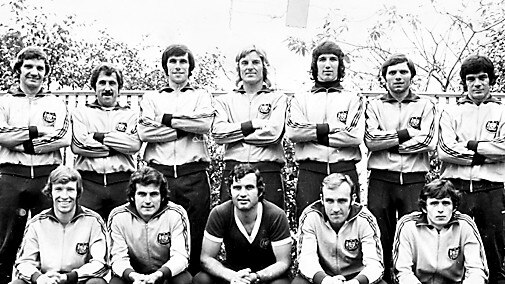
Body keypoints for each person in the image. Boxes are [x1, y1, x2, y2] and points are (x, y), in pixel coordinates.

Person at [137, 44, 214, 275]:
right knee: (159, 230)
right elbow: (144, 132)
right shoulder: (152, 97)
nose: (178, 66)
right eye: (173, 61)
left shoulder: (201, 95)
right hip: (160, 174)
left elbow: (204, 125)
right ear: (165, 67)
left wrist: (165, 120)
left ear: (190, 66)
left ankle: (190, 278)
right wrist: (184, 126)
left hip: (193, 173)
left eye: (183, 61)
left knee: (195, 230)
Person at [0, 46, 71, 282]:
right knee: (6, 239)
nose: (34, 72)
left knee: (50, 238)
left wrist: (22, 142)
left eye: (40, 68)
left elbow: (63, 138)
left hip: (46, 176)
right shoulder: (4, 101)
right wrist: (37, 131)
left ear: (46, 73)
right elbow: (3, 136)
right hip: (11, 175)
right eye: (28, 66)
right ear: (18, 70)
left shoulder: (56, 103)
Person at [364, 53, 437, 282]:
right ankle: (382, 277)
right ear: (384, 77)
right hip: (381, 177)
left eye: (403, 72)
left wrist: (389, 145)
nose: (398, 77)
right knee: (380, 232)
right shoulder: (374, 105)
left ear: (411, 76)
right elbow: (371, 141)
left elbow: (428, 142)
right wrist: (405, 135)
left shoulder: (425, 105)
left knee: (413, 231)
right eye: (392, 72)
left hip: (414, 177)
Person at [438, 54, 505, 283]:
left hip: (491, 188)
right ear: (464, 83)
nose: (477, 83)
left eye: (483, 78)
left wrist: (470, 145)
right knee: (454, 247)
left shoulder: (502, 111)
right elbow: (445, 150)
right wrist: (485, 156)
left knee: (494, 246)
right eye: (471, 79)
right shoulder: (450, 111)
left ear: (491, 81)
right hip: (457, 189)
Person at [286, 41, 365, 218]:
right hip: (310, 171)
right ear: (315, 65)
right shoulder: (301, 98)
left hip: (344, 169)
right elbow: (294, 132)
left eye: (333, 59)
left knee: (349, 227)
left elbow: (354, 136)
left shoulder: (353, 98)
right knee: (308, 224)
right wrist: (331, 129)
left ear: (340, 64)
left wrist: (312, 134)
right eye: (322, 59)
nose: (327, 65)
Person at [212, 45, 287, 209]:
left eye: (255, 62)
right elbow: (218, 134)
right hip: (234, 170)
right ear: (238, 68)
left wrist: (235, 134)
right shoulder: (225, 101)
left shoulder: (278, 98)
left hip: (268, 170)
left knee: (270, 227)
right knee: (230, 227)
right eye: (244, 63)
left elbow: (273, 133)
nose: (250, 67)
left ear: (264, 66)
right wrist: (251, 125)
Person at [194, 164, 292, 284]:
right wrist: (232, 276)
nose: (243, 194)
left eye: (249, 187)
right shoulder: (220, 213)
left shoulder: (276, 215)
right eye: (237, 188)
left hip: (265, 275)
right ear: (230, 190)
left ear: (260, 191)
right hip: (233, 272)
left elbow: (283, 262)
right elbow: (206, 258)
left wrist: (257, 276)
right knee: (201, 279)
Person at [11, 165, 108, 284]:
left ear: (78, 192)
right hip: (46, 281)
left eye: (70, 189)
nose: (64, 196)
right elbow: (23, 263)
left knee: (97, 282)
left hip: (77, 280)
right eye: (58, 189)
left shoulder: (93, 221)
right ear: (50, 192)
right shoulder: (37, 223)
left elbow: (100, 263)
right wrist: (39, 278)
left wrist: (69, 277)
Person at [71, 62, 141, 220]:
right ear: (94, 87)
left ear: (119, 88)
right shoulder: (81, 113)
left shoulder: (130, 115)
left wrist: (97, 136)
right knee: (87, 234)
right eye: (102, 83)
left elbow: (134, 145)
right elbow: (78, 145)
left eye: (112, 83)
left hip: (122, 183)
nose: (107, 88)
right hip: (89, 183)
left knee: (121, 235)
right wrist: (118, 146)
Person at [293, 173, 385, 284]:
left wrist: (355, 282)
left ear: (352, 199)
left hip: (356, 277)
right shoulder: (311, 216)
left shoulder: (365, 219)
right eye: (330, 201)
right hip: (323, 276)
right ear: (322, 199)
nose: (336, 208)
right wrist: (325, 280)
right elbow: (306, 260)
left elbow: (375, 264)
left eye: (342, 201)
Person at [393, 179, 488, 284]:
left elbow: (477, 270)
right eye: (434, 203)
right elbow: (402, 271)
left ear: (454, 207)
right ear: (425, 208)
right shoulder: (408, 225)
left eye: (446, 203)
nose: (440, 209)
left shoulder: (464, 225)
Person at [108, 166, 192, 284]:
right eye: (142, 194)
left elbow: (181, 257)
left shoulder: (176, 213)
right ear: (133, 196)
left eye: (153, 194)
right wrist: (133, 275)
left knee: (184, 280)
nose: (148, 201)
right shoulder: (118, 216)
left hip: (165, 275)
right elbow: (117, 259)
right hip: (134, 275)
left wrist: (159, 274)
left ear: (162, 196)